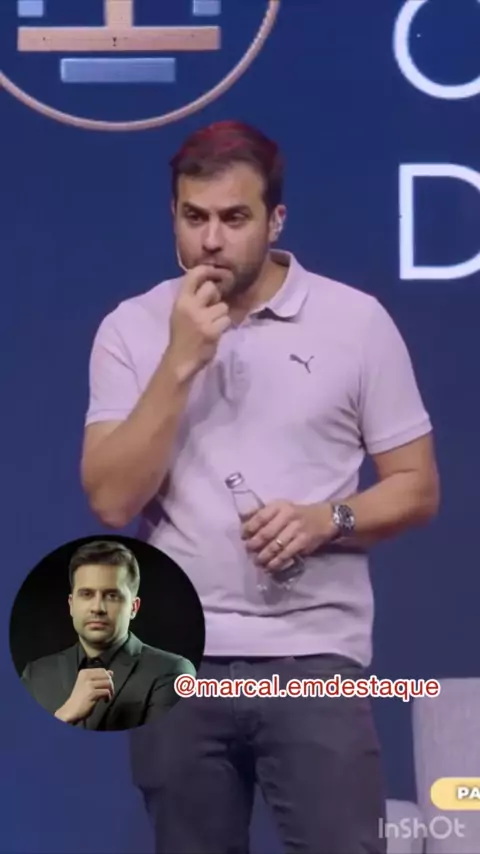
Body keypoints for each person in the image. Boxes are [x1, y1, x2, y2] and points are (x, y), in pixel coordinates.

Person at [81, 121, 440, 852]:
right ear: (173, 215)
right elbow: (112, 500)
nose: (211, 241)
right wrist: (180, 360)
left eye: (234, 218)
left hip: (315, 659)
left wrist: (327, 519)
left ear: (276, 220)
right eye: (194, 218)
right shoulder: (131, 329)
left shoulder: (355, 323)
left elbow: (416, 486)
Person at [21, 540, 196, 731]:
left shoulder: (173, 672)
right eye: (86, 594)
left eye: (112, 595)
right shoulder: (35, 675)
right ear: (71, 604)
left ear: (134, 607)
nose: (97, 608)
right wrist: (64, 715)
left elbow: (162, 744)